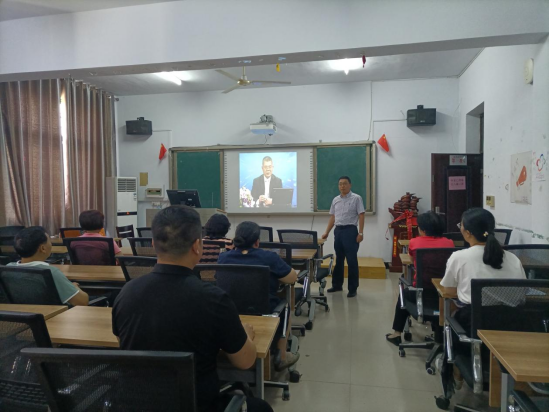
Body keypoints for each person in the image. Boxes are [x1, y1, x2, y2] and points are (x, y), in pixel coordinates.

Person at [112, 206, 273, 412]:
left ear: (153, 244)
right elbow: (245, 361)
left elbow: (124, 345)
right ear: (197, 246)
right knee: (262, 408)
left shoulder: (126, 292)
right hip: (196, 404)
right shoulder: (214, 299)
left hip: (134, 405)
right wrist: (246, 335)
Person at [440, 208, 526, 389]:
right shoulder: (513, 258)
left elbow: (448, 289)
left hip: (474, 325)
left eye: (461, 225)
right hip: (513, 326)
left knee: (453, 315)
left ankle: (457, 373)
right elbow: (521, 293)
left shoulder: (460, 257)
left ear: (468, 233)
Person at [218, 221, 300, 372]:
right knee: (285, 307)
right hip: (264, 310)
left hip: (230, 310)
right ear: (257, 242)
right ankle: (282, 356)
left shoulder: (223, 257)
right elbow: (292, 278)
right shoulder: (269, 257)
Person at [385, 211, 455, 346]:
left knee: (403, 291)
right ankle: (438, 333)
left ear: (422, 230)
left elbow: (412, 261)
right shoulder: (449, 243)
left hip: (421, 292)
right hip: (444, 294)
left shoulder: (415, 242)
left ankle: (397, 333)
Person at [8, 226, 89, 306]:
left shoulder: (8, 268)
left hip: (21, 313)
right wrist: (74, 287)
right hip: (57, 314)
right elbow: (82, 302)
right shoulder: (51, 272)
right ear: (43, 248)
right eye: (49, 241)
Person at [322, 176, 365, 298]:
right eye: (340, 184)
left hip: (350, 231)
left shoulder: (356, 198)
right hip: (338, 231)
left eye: (345, 184)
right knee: (339, 259)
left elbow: (361, 215)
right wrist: (327, 232)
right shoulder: (335, 199)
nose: (342, 186)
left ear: (350, 185)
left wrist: (360, 233)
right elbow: (333, 217)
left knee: (351, 260)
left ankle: (352, 288)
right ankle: (337, 285)